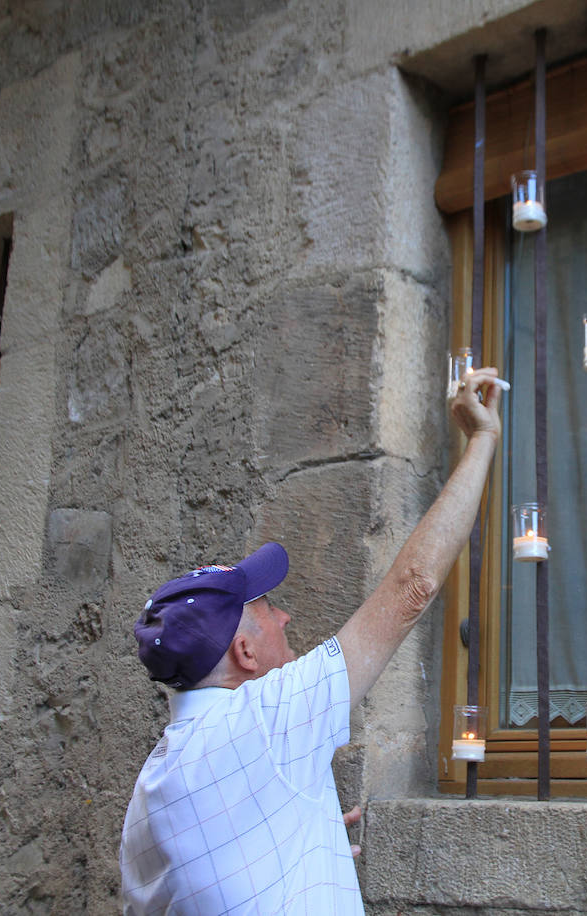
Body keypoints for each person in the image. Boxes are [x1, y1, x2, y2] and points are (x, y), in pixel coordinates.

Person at [119, 368, 503, 914]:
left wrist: (299, 841)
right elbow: (414, 587)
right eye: (269, 609)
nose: (286, 616)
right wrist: (483, 438)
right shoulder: (266, 721)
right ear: (244, 653)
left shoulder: (149, 791)